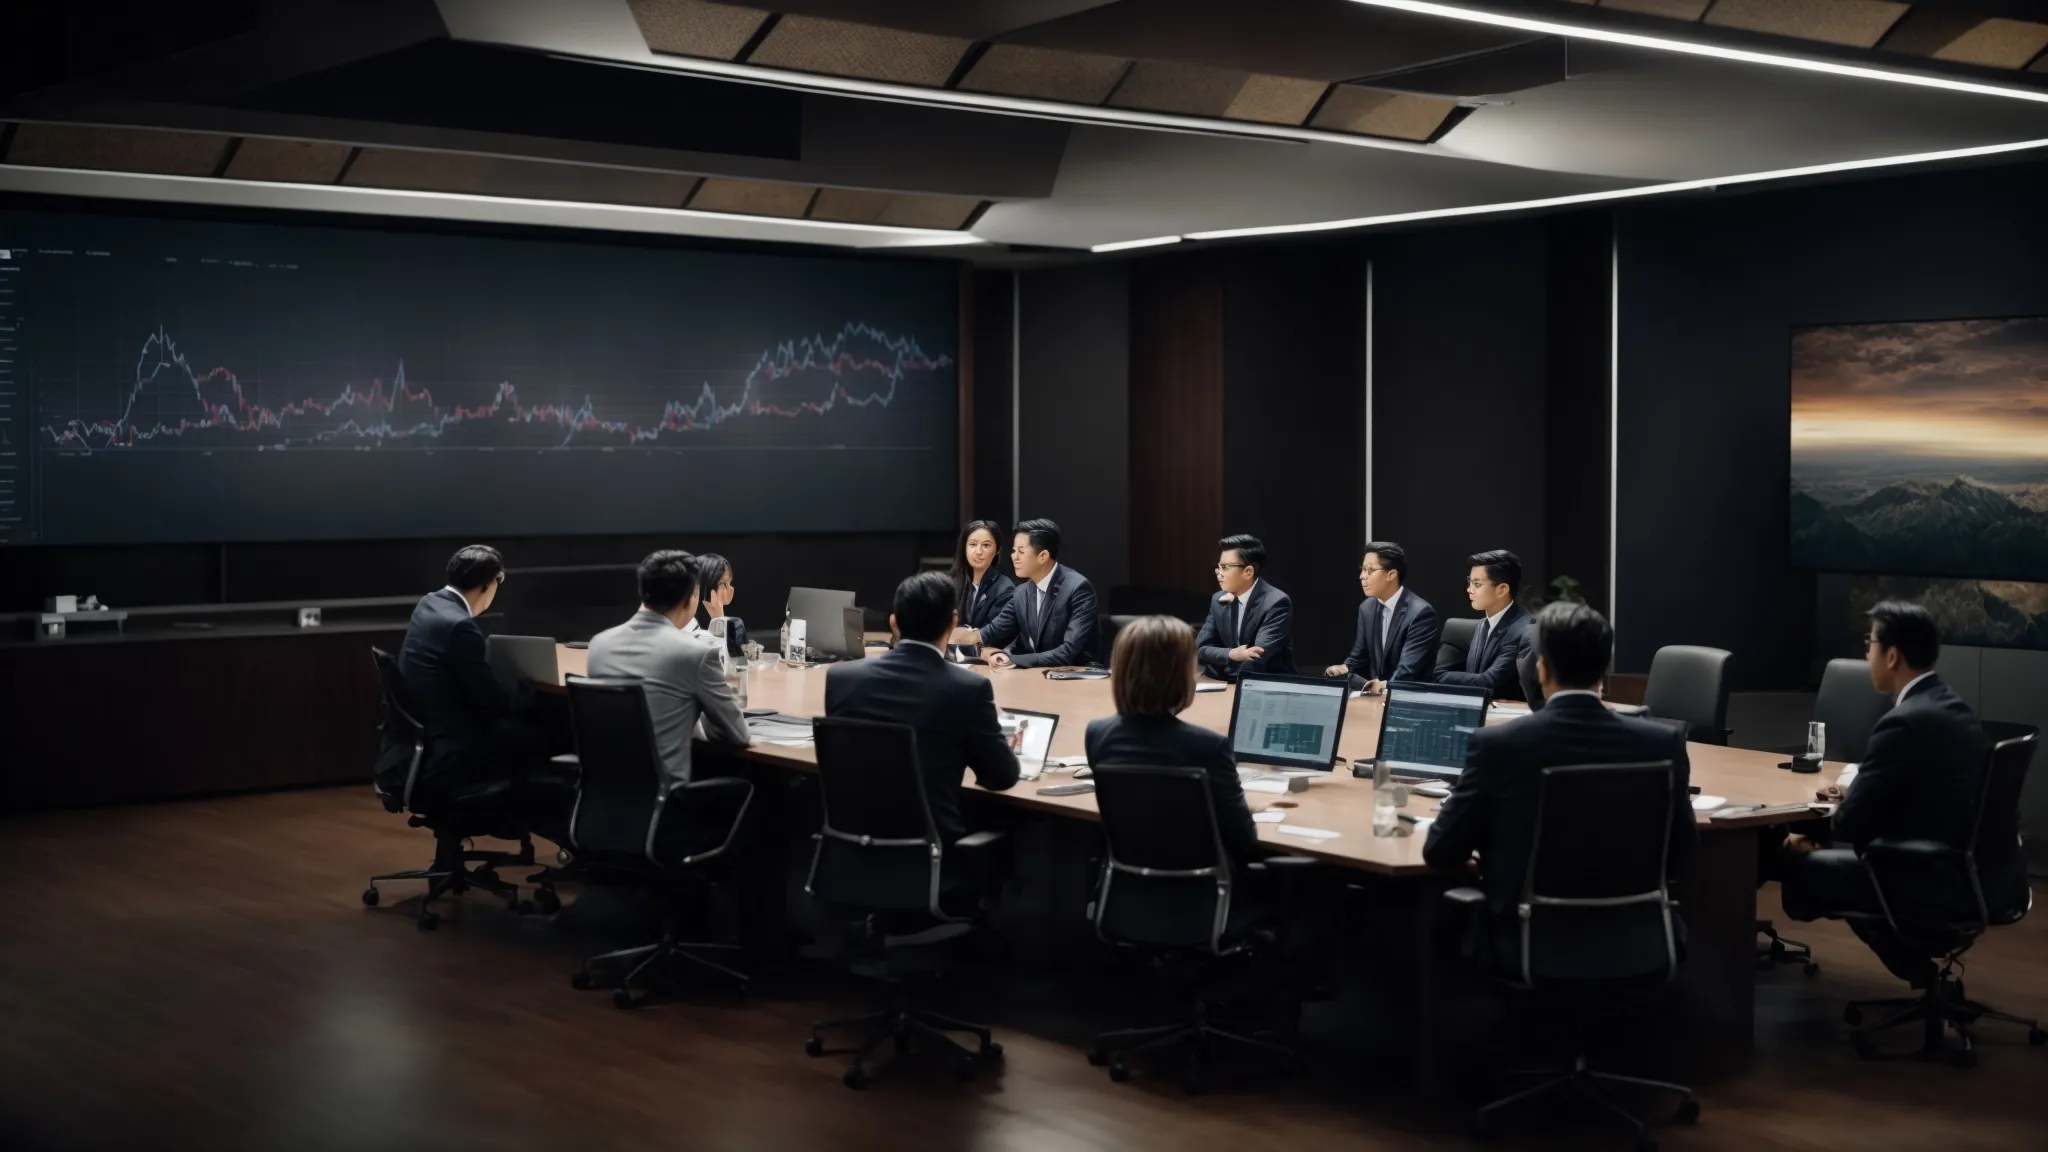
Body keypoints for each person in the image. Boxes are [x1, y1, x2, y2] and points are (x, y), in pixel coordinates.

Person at [1423, 602, 1694, 973]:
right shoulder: (1663, 743)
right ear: (1604, 669)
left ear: (1542, 668)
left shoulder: (1498, 746)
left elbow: (1440, 850)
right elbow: (1682, 852)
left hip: (1526, 939)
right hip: (1640, 938)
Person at [1775, 601, 2019, 990]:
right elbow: (1925, 791)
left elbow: (1853, 824)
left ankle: (1922, 975)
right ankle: (1925, 978)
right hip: (1988, 878)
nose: (1866, 654)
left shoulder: (1902, 722)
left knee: (1799, 865)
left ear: (1891, 656)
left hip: (1935, 882)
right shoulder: (1949, 705)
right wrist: (1859, 792)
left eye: (1869, 644)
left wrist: (1813, 837)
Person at [826, 571, 1020, 847]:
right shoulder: (967, 688)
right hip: (931, 854)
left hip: (849, 848)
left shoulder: (841, 679)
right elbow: (1001, 776)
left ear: (894, 622)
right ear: (952, 623)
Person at [1086, 615, 1259, 869]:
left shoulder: (1097, 734)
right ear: (1178, 676)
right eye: (1194, 666)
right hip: (1206, 890)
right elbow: (1244, 840)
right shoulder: (1210, 746)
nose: (1198, 675)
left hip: (1128, 883)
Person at [588, 550, 751, 788]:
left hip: (603, 794)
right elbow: (738, 735)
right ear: (690, 597)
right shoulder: (696, 653)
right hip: (668, 801)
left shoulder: (599, 645)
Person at [396, 544, 543, 793]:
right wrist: (529, 690)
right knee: (540, 731)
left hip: (425, 734)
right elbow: (492, 703)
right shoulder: (460, 626)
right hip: (453, 743)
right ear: (487, 585)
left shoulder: (429, 604)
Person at [968, 518, 1101, 669]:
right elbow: (993, 631)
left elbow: (1067, 652)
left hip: (1076, 676)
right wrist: (962, 637)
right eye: (1013, 550)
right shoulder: (1021, 592)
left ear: (1043, 556)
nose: (1014, 557)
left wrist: (1012, 659)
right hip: (1038, 675)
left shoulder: (1078, 588)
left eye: (1021, 551)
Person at [1324, 541, 1440, 692]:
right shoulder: (1367, 608)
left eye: (1370, 570)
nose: (1362, 576)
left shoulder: (1421, 613)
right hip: (1376, 697)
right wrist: (1343, 668)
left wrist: (1380, 686)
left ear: (1391, 574)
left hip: (1409, 697)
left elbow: (1407, 672)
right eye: (1363, 569)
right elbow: (1358, 658)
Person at [1194, 533, 1295, 681]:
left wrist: (1216, 665)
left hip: (1267, 686)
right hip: (1229, 683)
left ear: (1248, 572)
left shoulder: (1276, 602)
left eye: (1225, 567)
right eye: (1218, 567)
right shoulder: (1218, 599)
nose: (1219, 574)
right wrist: (1231, 654)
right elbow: (1200, 649)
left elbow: (1256, 660)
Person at [1434, 549, 1532, 700]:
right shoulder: (1483, 624)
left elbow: (1488, 681)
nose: (1469, 590)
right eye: (1470, 582)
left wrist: (1441, 676)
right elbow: (1438, 672)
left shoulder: (1524, 629)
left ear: (1502, 589)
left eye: (1477, 584)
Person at [951, 519, 1016, 635]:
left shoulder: (1005, 589)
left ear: (997, 550)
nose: (978, 551)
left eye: (986, 545)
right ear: (964, 547)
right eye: (972, 544)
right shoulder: (951, 582)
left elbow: (997, 634)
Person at [690, 553, 747, 658]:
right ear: (707, 583)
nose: (730, 589)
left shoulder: (734, 621)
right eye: (724, 583)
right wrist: (718, 619)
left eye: (730, 582)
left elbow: (738, 661)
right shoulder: (689, 620)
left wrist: (719, 618)